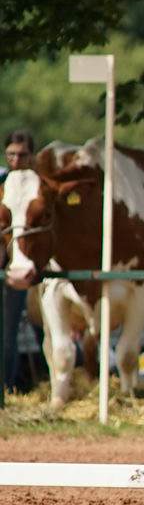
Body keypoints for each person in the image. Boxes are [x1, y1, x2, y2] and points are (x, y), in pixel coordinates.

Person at [3, 130, 40, 396]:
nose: (16, 160)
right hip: (10, 267)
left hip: (32, 269)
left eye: (22, 154)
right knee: (7, 333)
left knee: (21, 332)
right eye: (11, 154)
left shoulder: (39, 186)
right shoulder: (3, 185)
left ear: (32, 156)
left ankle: (11, 388)